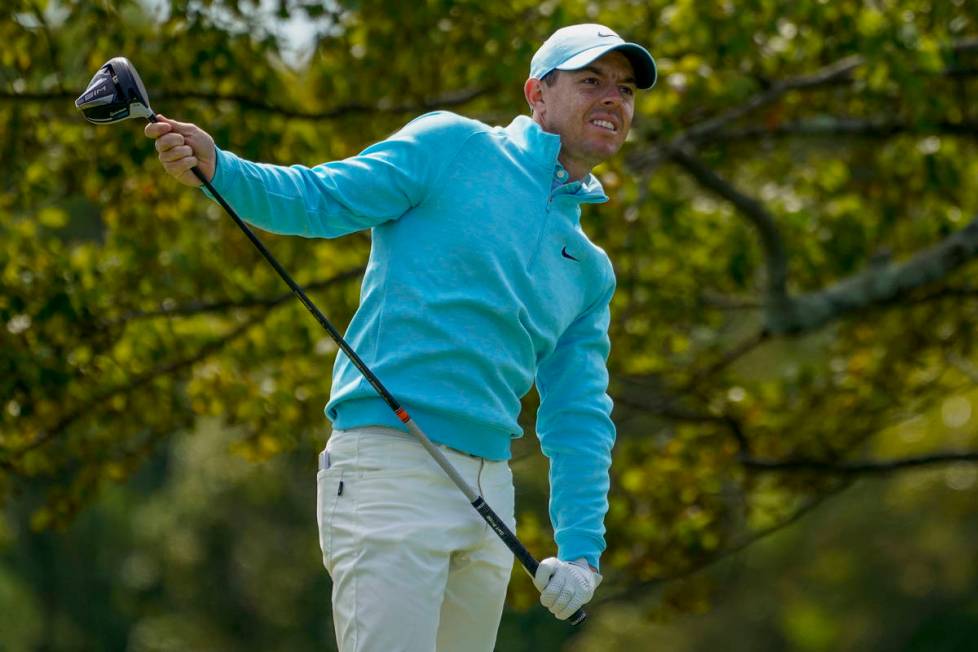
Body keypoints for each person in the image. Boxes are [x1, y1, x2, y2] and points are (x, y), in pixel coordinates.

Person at [145, 23, 655, 652]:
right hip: (387, 466)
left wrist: (581, 553)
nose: (613, 99)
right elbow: (319, 198)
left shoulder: (591, 267)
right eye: (591, 81)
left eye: (626, 90)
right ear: (537, 94)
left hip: (490, 492)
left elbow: (579, 418)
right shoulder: (452, 146)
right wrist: (220, 167)